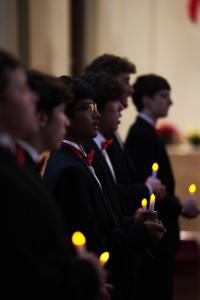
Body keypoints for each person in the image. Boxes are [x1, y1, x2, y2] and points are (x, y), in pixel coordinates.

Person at [44, 75, 166, 300]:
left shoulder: (77, 159)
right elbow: (90, 242)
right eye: (87, 108)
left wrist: (133, 221)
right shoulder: (69, 169)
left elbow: (100, 221)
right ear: (65, 115)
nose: (96, 114)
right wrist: (139, 233)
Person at [0, 49, 104, 299]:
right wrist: (85, 274)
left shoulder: (16, 166)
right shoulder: (6, 175)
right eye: (22, 90)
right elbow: (19, 272)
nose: (32, 100)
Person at [125, 74, 199, 300]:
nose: (170, 102)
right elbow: (150, 188)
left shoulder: (147, 132)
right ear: (146, 100)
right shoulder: (142, 134)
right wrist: (180, 208)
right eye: (164, 96)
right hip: (156, 235)